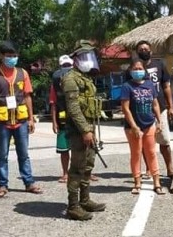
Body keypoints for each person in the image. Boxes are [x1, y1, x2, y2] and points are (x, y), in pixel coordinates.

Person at [0, 41, 43, 198]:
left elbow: (27, 96)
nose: (12, 58)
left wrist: (31, 119)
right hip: (2, 123)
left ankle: (29, 182)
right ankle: (3, 185)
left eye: (15, 56)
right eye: (9, 56)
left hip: (21, 121)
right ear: (2, 56)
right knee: (2, 155)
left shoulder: (23, 73)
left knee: (23, 154)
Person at [62, 40, 106, 221]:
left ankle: (85, 200)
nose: (90, 59)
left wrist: (91, 130)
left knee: (88, 165)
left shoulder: (86, 78)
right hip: (79, 130)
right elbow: (73, 108)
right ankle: (73, 206)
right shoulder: (70, 78)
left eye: (91, 56)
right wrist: (85, 131)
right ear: (76, 58)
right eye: (85, 56)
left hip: (89, 127)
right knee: (77, 168)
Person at [50, 55, 100, 183]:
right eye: (64, 66)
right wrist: (54, 122)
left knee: (86, 147)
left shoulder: (82, 78)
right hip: (63, 119)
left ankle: (87, 172)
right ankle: (65, 173)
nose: (66, 69)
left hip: (82, 119)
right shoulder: (57, 82)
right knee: (64, 148)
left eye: (68, 66)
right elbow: (53, 103)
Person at [121, 59, 167, 195]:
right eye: (135, 69)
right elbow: (125, 108)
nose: (138, 71)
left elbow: (155, 104)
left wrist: (159, 121)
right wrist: (134, 126)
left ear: (144, 70)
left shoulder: (150, 85)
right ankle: (137, 183)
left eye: (140, 68)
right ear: (130, 71)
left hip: (149, 125)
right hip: (133, 127)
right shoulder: (127, 86)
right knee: (136, 154)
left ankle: (157, 183)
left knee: (151, 153)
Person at [133, 40, 173, 179]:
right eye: (141, 49)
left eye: (146, 48)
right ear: (137, 52)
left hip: (160, 108)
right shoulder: (133, 68)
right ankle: (149, 169)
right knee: (146, 142)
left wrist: (171, 107)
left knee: (164, 140)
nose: (143, 51)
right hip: (141, 110)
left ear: (151, 51)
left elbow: (166, 86)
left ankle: (170, 168)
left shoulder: (160, 64)